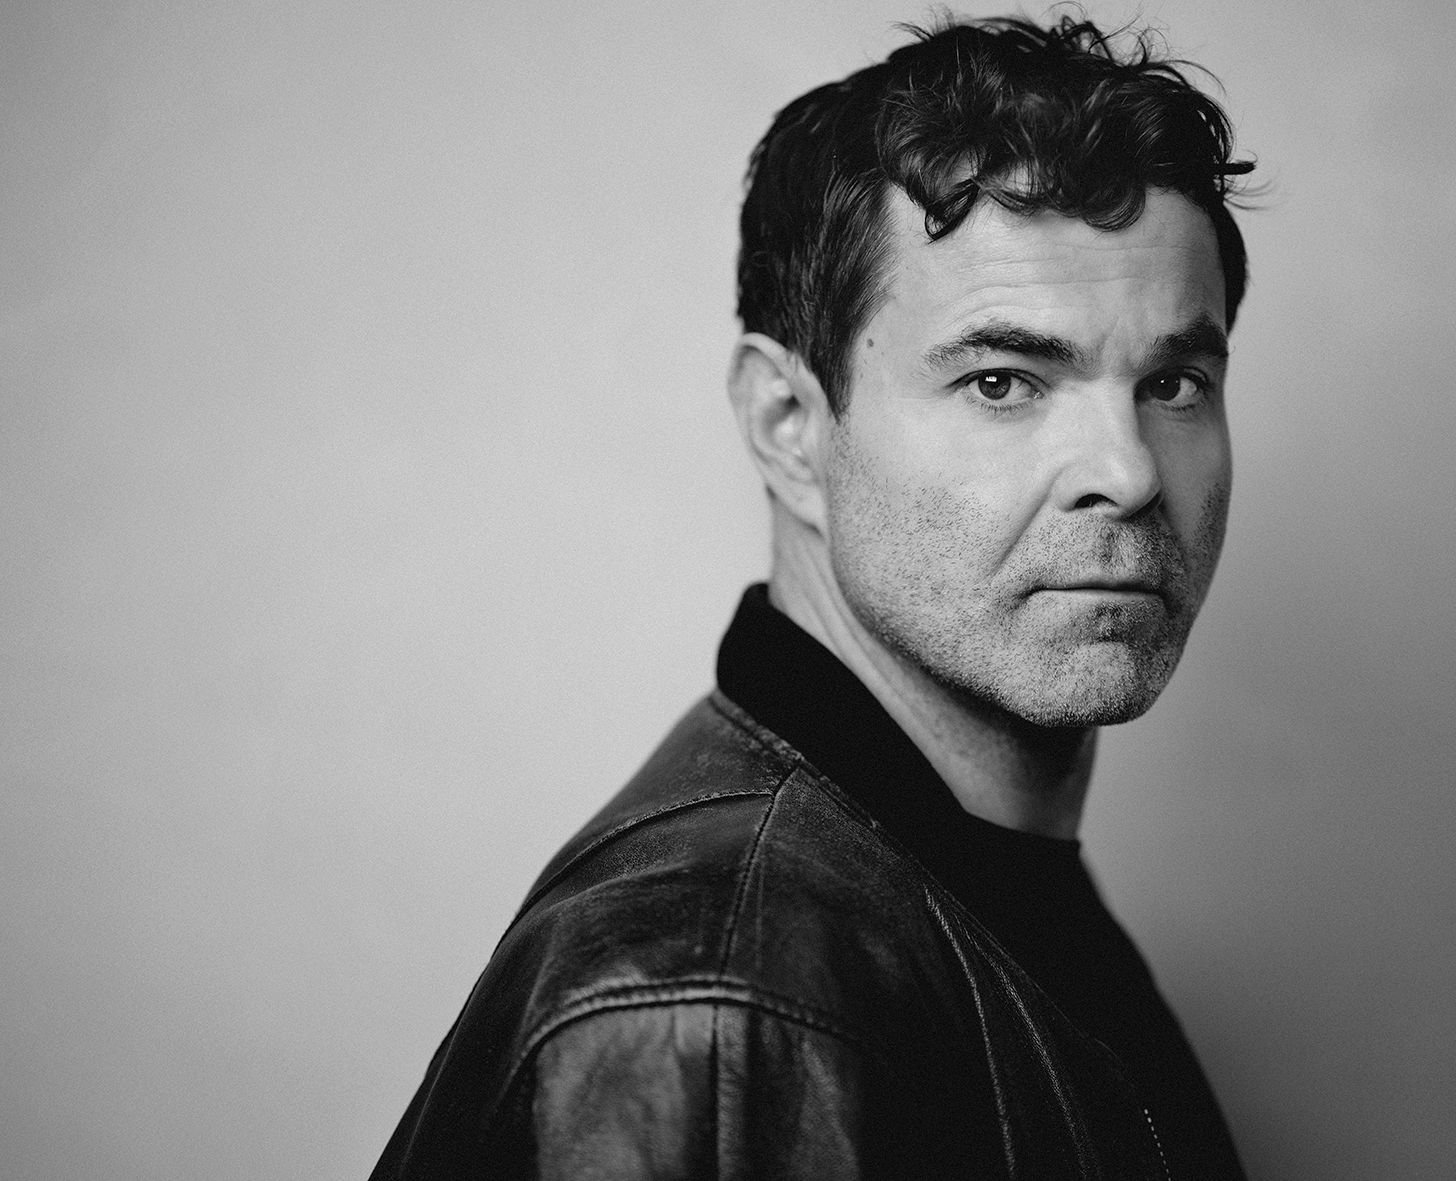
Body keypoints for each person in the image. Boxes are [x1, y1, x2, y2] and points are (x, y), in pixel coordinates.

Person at [374, 14, 1253, 1178]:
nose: (1128, 473)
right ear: (789, 425)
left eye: (1174, 381)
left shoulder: (980, 878)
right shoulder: (720, 992)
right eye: (1002, 381)